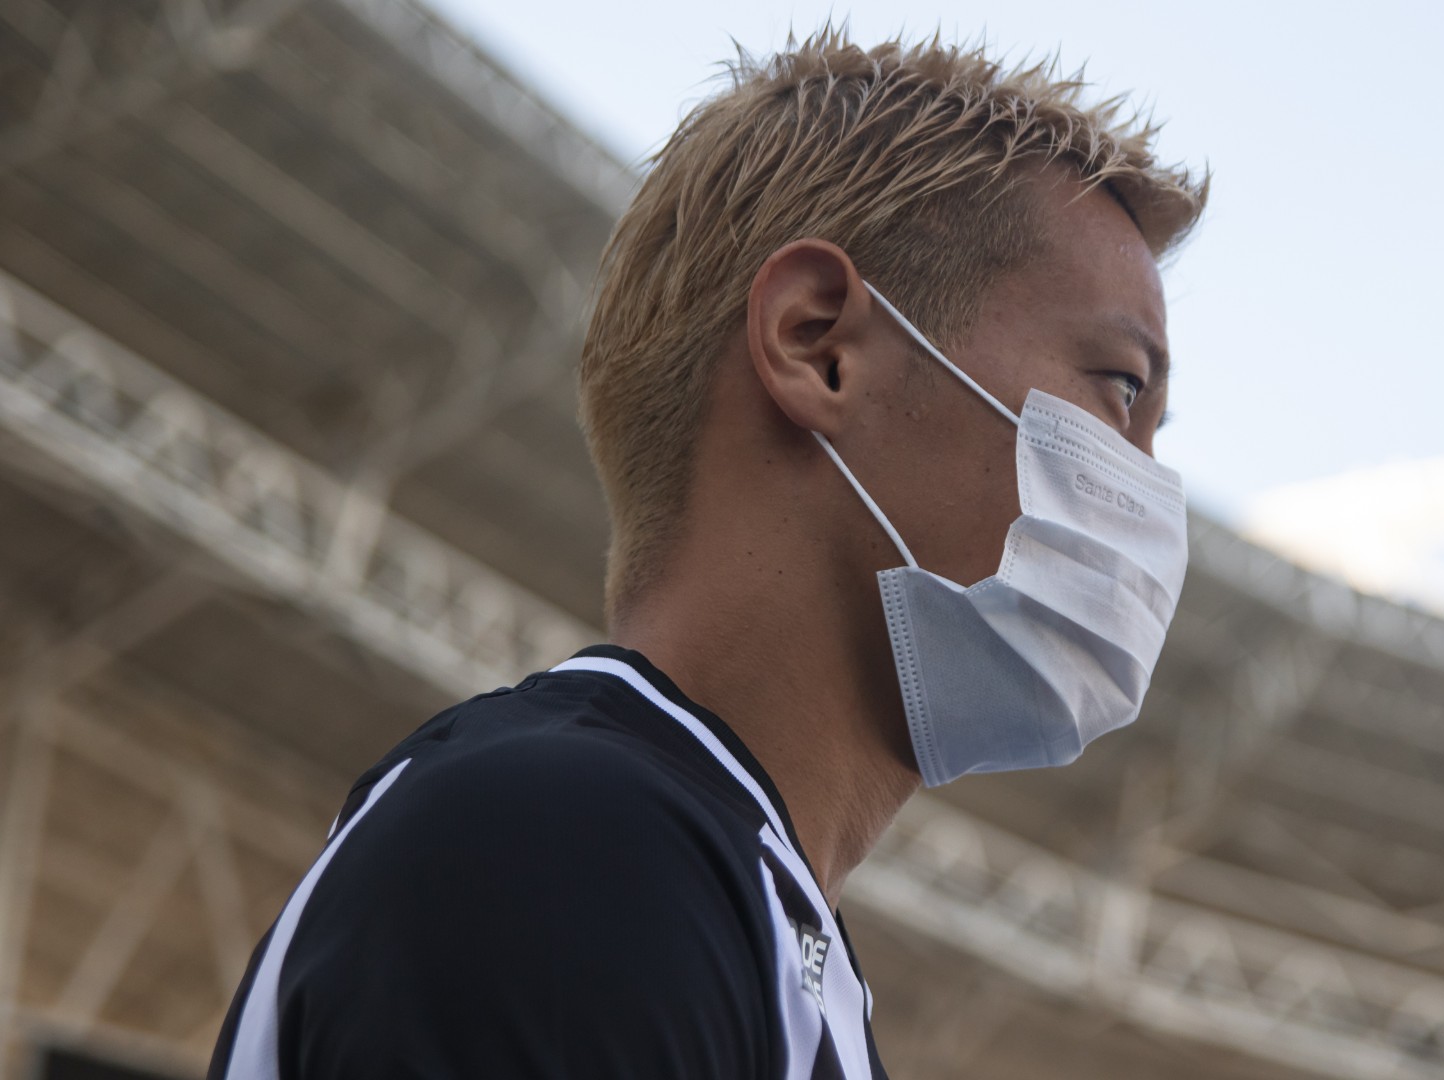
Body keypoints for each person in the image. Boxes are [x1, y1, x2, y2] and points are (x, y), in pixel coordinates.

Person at [207, 28, 1206, 1080]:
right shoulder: (567, 846)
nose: (1147, 487)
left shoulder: (746, 914)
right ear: (819, 343)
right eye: (1120, 390)